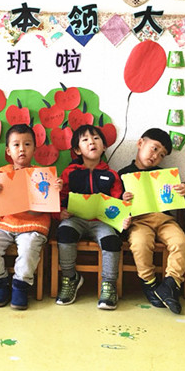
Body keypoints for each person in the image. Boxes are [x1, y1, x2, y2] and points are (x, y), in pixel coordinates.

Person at [0, 124, 62, 310]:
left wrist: (56, 189)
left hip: (33, 224)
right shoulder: (3, 172)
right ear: (8, 150)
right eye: (16, 145)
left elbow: (50, 203)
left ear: (34, 149)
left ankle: (20, 285)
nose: (22, 149)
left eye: (27, 144)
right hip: (4, 223)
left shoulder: (43, 174)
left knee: (29, 248)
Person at [118, 128, 185, 314]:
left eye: (162, 154)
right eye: (154, 148)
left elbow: (182, 192)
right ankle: (149, 282)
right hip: (139, 221)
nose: (156, 156)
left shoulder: (164, 175)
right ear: (140, 143)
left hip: (165, 220)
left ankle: (171, 283)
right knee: (140, 243)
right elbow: (114, 206)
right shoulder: (124, 174)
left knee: (181, 242)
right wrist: (122, 198)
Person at [55, 124, 123, 310]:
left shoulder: (112, 175)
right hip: (75, 219)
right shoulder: (69, 173)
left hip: (102, 222)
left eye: (96, 138)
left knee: (111, 240)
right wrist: (60, 212)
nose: (91, 142)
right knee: (64, 232)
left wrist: (121, 216)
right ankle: (70, 277)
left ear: (104, 146)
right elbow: (60, 198)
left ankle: (109, 284)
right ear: (77, 150)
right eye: (85, 140)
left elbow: (117, 202)